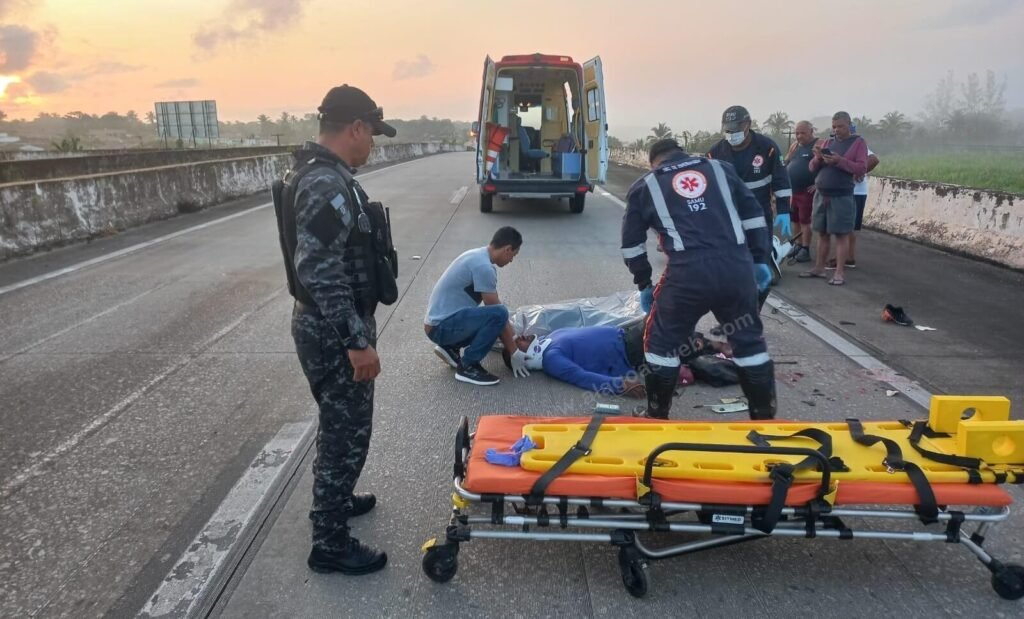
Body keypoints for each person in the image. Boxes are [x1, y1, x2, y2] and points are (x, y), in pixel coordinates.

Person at [272, 84, 397, 576]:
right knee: (347, 436)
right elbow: (319, 267)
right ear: (356, 128)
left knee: (338, 425)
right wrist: (356, 341)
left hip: (327, 324)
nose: (374, 144)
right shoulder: (325, 182)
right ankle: (328, 542)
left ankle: (337, 500)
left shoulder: (320, 173)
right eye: (373, 133)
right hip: (332, 330)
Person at [621, 138, 777, 420]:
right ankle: (763, 417)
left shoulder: (646, 185)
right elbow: (755, 215)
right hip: (736, 269)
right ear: (682, 153)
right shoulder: (721, 169)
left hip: (687, 275)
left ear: (654, 162)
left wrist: (644, 283)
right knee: (748, 340)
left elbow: (632, 245)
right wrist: (758, 259)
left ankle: (656, 414)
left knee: (660, 342)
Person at [707, 105, 793, 308]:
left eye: (736, 128)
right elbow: (708, 188)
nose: (732, 133)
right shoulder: (715, 153)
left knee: (760, 266)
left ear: (748, 124)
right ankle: (735, 312)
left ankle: (754, 312)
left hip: (759, 217)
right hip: (728, 219)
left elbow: (781, 181)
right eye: (728, 129)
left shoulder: (767, 148)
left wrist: (783, 211)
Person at [424, 227, 528, 385]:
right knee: (499, 314)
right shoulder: (484, 267)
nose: (511, 260)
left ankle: (450, 347)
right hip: (440, 328)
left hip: (437, 324)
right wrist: (514, 352)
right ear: (507, 249)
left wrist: (512, 336)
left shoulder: (477, 255)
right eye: (513, 255)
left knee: (496, 314)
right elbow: (497, 314)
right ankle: (468, 366)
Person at [799, 111, 868, 286]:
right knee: (822, 233)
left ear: (849, 124)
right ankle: (819, 268)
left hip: (841, 195)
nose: (837, 130)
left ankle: (839, 273)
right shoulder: (828, 142)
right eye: (834, 127)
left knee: (841, 235)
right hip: (822, 194)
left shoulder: (858, 143)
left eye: (840, 126)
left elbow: (861, 168)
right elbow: (812, 168)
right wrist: (817, 158)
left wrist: (839, 161)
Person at [784, 121, 820, 263]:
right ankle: (797, 245)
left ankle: (805, 248)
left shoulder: (818, 145)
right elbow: (785, 162)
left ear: (811, 131)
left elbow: (827, 166)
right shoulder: (795, 146)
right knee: (795, 219)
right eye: (797, 133)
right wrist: (788, 156)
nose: (799, 136)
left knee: (805, 220)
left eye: (802, 133)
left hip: (807, 191)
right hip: (793, 190)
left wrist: (818, 184)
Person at [840, 144, 879, 268]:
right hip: (844, 190)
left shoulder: (856, 144)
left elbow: (874, 159)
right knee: (843, 226)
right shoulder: (840, 145)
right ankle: (844, 256)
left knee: (849, 226)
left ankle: (848, 258)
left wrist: (859, 172)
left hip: (855, 192)